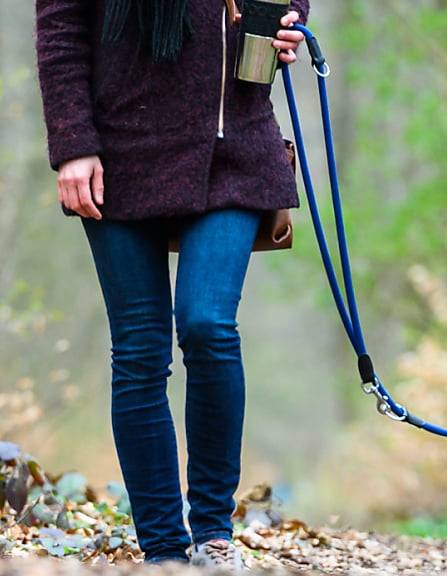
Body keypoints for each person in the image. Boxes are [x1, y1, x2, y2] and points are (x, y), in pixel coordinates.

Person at [34, 0, 310, 569]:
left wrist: (288, 22)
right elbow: (61, 28)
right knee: (139, 350)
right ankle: (164, 550)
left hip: (231, 148)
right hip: (118, 152)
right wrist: (73, 145)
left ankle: (213, 535)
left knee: (208, 325)